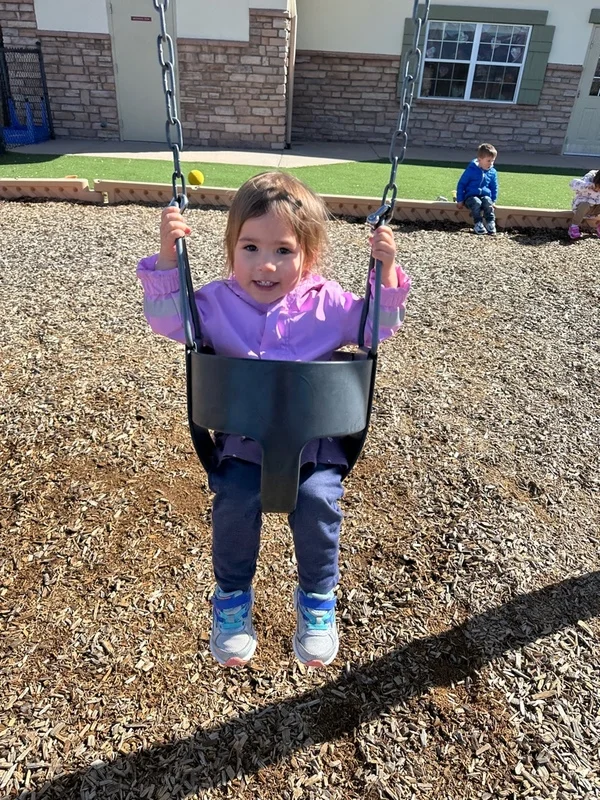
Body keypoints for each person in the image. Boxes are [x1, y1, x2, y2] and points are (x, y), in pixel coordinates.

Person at [136, 171, 411, 669]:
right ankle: (233, 600)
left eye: (283, 250)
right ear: (230, 249)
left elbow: (377, 328)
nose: (265, 265)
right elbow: (165, 319)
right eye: (250, 248)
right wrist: (166, 257)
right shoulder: (215, 303)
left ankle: (317, 602)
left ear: (309, 255)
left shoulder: (327, 302)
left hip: (313, 448)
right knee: (235, 498)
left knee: (317, 501)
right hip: (243, 443)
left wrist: (385, 273)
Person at [456, 143, 499, 235]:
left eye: (493, 161)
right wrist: (460, 200)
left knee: (488, 202)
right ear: (480, 160)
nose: (491, 163)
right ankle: (478, 223)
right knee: (476, 202)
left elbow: (494, 186)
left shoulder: (492, 172)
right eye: (488, 161)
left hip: (484, 195)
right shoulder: (471, 170)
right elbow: (461, 184)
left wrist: (494, 200)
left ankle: (490, 222)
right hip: (470, 196)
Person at [568, 169, 600, 240]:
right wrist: (587, 185)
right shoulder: (589, 178)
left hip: (596, 209)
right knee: (585, 204)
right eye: (598, 186)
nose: (598, 190)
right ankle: (574, 226)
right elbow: (572, 184)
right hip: (581, 207)